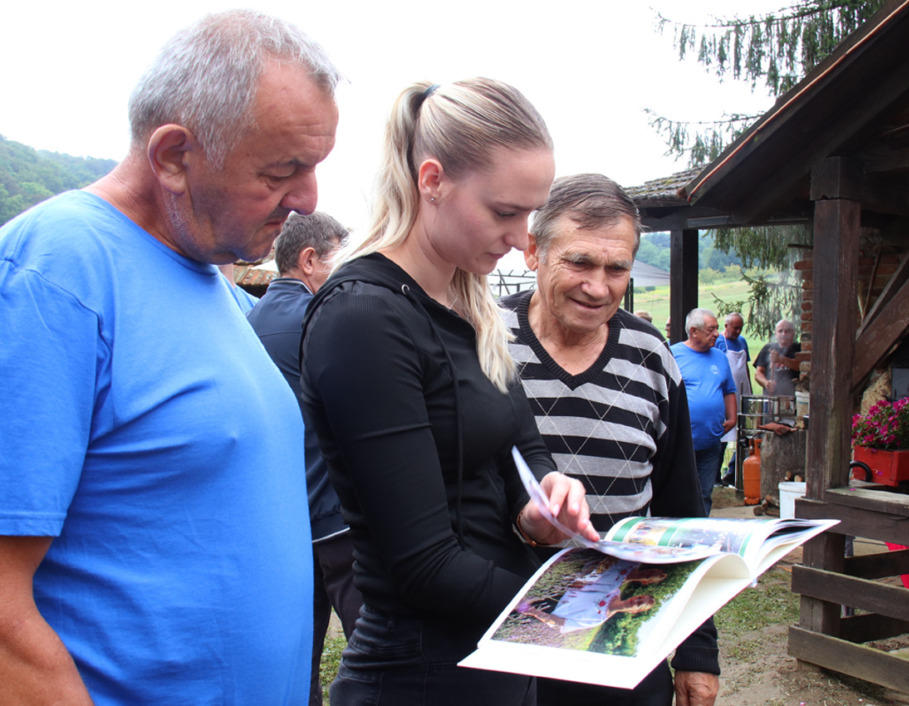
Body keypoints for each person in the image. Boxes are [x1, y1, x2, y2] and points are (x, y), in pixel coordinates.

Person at [0, 11, 340, 704]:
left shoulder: (210, 277)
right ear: (175, 155)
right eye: (283, 170)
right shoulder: (59, 272)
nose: (307, 201)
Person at [299, 79, 597, 706]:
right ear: (431, 180)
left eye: (530, 214)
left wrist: (539, 502)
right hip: (422, 672)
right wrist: (587, 616)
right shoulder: (364, 319)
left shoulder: (467, 302)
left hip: (493, 652)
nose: (522, 238)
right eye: (504, 212)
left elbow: (520, 441)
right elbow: (423, 562)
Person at [502, 173, 720, 706]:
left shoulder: (652, 358)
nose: (598, 286)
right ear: (534, 251)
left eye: (616, 268)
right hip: (506, 645)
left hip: (624, 642)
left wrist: (696, 652)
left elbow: (680, 512)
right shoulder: (482, 340)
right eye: (579, 262)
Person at [246, 211, 360, 706]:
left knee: (301, 656)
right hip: (334, 512)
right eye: (341, 256)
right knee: (377, 646)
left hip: (283, 519)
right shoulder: (318, 320)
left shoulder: (249, 320)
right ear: (310, 259)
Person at [673, 309, 738, 517]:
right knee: (679, 492)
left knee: (704, 492)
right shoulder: (673, 354)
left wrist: (733, 417)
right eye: (711, 329)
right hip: (681, 443)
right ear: (694, 331)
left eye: (717, 328)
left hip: (711, 441)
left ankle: (700, 533)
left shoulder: (720, 357)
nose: (717, 334)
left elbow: (729, 390)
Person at [517, 557, 665, 632]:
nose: (635, 601)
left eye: (639, 604)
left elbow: (560, 624)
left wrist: (532, 611)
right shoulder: (613, 589)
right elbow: (585, 578)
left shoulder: (596, 620)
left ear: (634, 611)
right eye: (639, 598)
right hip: (548, 589)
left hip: (543, 609)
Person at [715, 312, 754, 486]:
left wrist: (750, 392)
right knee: (723, 436)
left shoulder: (742, 342)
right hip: (725, 396)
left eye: (740, 328)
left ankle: (734, 473)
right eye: (735, 327)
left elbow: (744, 368)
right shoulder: (719, 342)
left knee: (744, 436)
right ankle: (716, 476)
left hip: (742, 392)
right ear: (726, 326)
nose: (738, 331)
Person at [754, 319, 802, 397]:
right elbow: (758, 373)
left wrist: (781, 359)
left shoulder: (799, 349)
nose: (784, 334)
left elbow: (801, 366)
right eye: (780, 331)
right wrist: (766, 383)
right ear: (775, 333)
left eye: (787, 331)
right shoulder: (768, 348)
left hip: (793, 396)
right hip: (771, 397)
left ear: (793, 333)